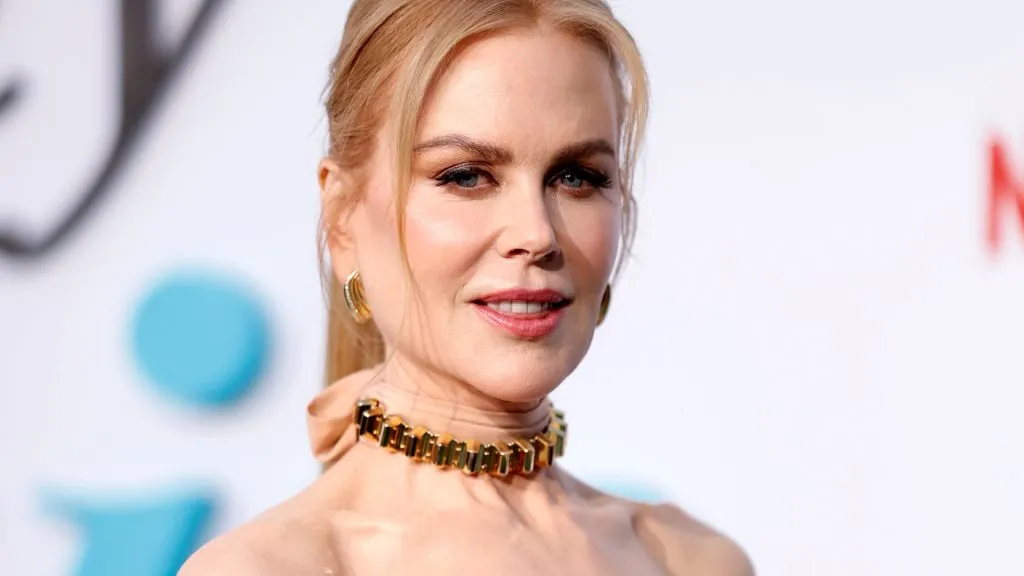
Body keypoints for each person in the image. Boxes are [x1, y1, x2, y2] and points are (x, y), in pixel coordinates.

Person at [180, 0, 753, 573]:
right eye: (466, 176)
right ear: (342, 217)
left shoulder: (691, 560)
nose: (536, 234)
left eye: (576, 176)